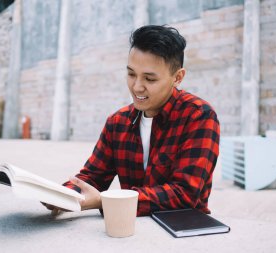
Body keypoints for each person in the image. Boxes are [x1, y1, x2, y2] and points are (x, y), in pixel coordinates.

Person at [43, 25, 220, 217]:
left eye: (149, 79)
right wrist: (63, 195)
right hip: (129, 232)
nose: (137, 87)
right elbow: (92, 177)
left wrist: (107, 201)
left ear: (177, 77)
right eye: (131, 74)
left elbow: (185, 194)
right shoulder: (117, 123)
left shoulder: (199, 116)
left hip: (183, 233)